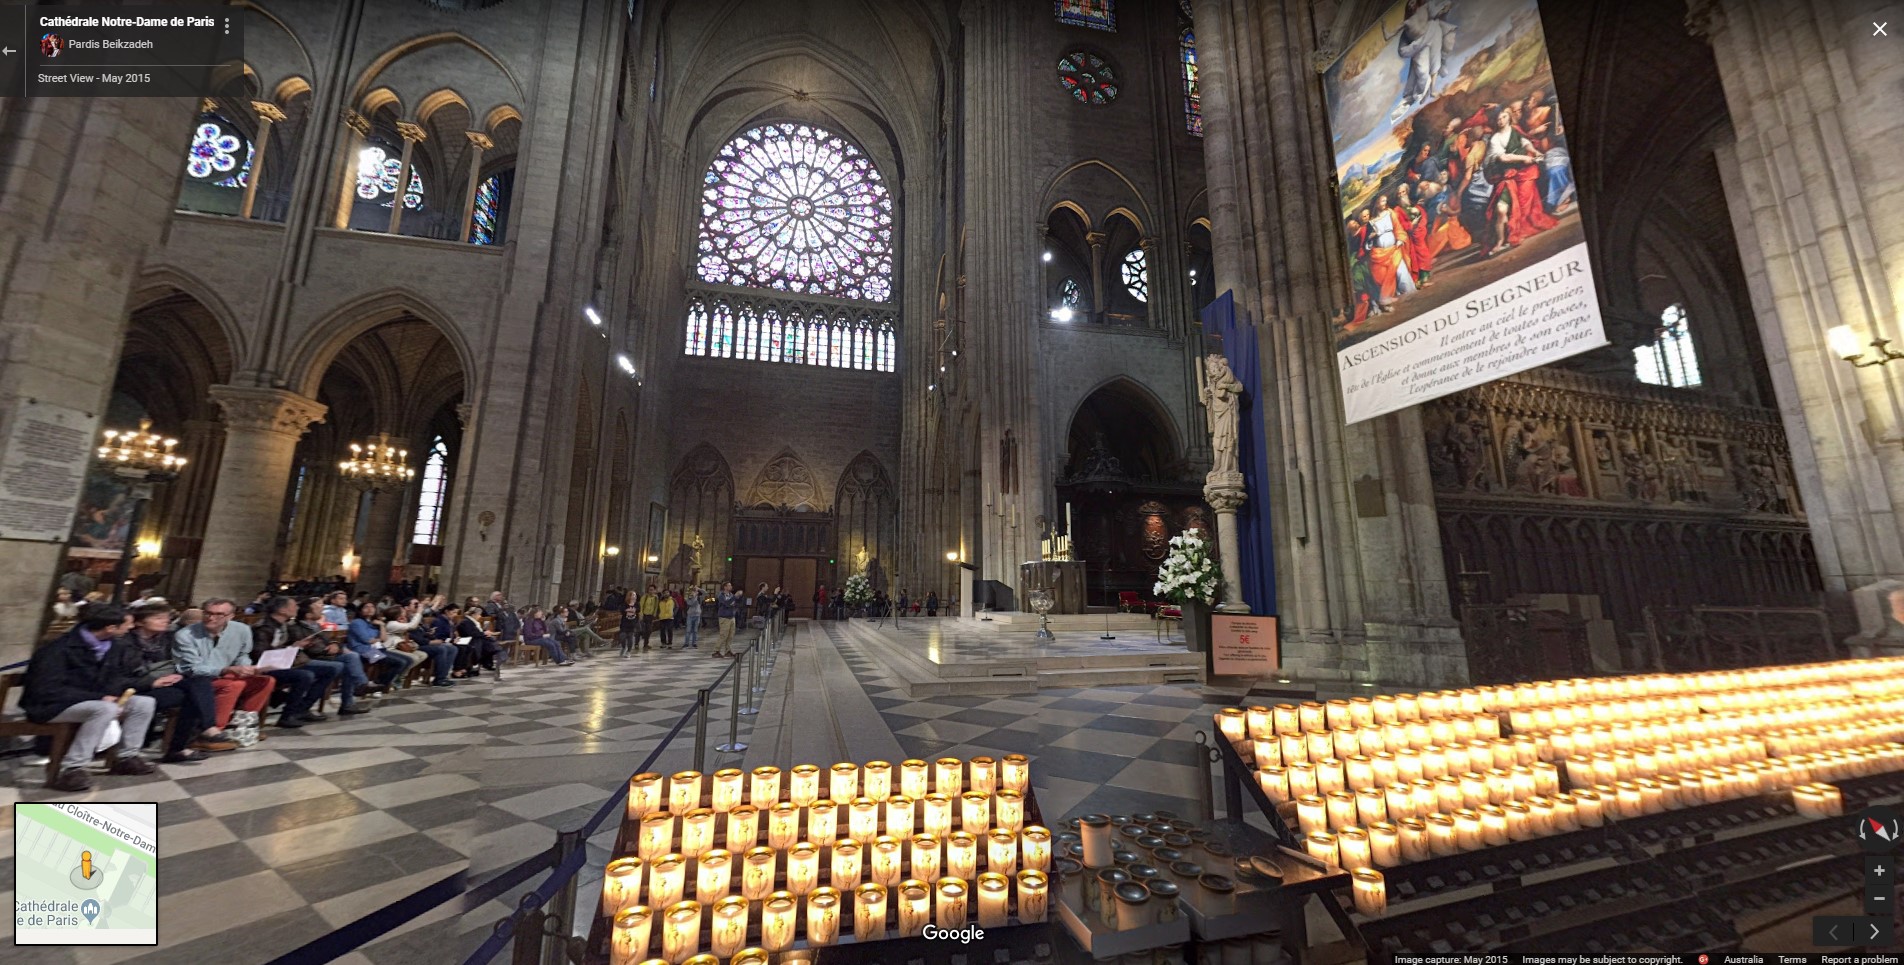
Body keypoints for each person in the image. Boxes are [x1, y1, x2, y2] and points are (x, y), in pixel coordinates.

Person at [20, 605, 159, 791]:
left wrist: (145, 684)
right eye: (126, 624)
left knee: (143, 703)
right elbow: (46, 689)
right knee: (104, 709)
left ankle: (126, 758)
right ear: (110, 628)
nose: (130, 627)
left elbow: (116, 678)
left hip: (90, 701)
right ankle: (72, 769)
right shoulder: (58, 649)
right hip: (50, 706)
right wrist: (100, 697)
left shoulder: (112, 647)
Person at [125, 603, 228, 762]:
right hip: (136, 687)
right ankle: (181, 746)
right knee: (194, 696)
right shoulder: (126, 642)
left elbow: (179, 663)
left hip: (166, 681)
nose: (165, 621)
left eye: (166, 618)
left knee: (198, 685)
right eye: (158, 618)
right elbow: (124, 673)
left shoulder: (167, 638)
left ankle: (203, 730)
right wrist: (154, 681)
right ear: (139, 622)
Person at [249, 596, 335, 727]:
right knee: (305, 676)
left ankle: (302, 708)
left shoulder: (283, 625)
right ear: (282, 610)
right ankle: (287, 715)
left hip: (282, 662)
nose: (297, 608)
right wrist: (289, 649)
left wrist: (296, 646)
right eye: (294, 605)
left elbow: (282, 644)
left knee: (330, 669)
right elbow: (260, 654)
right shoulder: (263, 627)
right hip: (266, 666)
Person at [290, 598, 370, 715]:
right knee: (346, 665)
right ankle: (359, 688)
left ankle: (354, 694)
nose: (322, 609)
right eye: (318, 607)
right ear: (308, 614)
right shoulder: (295, 627)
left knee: (352, 657)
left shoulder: (316, 625)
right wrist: (328, 650)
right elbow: (308, 648)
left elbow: (330, 640)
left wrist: (335, 645)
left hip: (325, 655)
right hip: (311, 657)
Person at [714, 581, 743, 658]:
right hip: (724, 617)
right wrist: (734, 598)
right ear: (725, 587)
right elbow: (726, 603)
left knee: (731, 635)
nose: (731, 587)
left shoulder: (731, 595)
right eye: (729, 585)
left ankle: (728, 650)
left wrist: (738, 597)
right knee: (723, 635)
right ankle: (716, 650)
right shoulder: (721, 595)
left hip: (731, 616)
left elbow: (734, 603)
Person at [681, 585, 703, 650]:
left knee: (695, 630)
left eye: (695, 591)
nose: (694, 592)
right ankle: (686, 643)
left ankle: (694, 643)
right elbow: (691, 604)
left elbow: (705, 593)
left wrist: (699, 589)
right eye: (693, 591)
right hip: (690, 615)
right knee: (688, 630)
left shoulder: (700, 598)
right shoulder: (689, 598)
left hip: (697, 615)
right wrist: (693, 597)